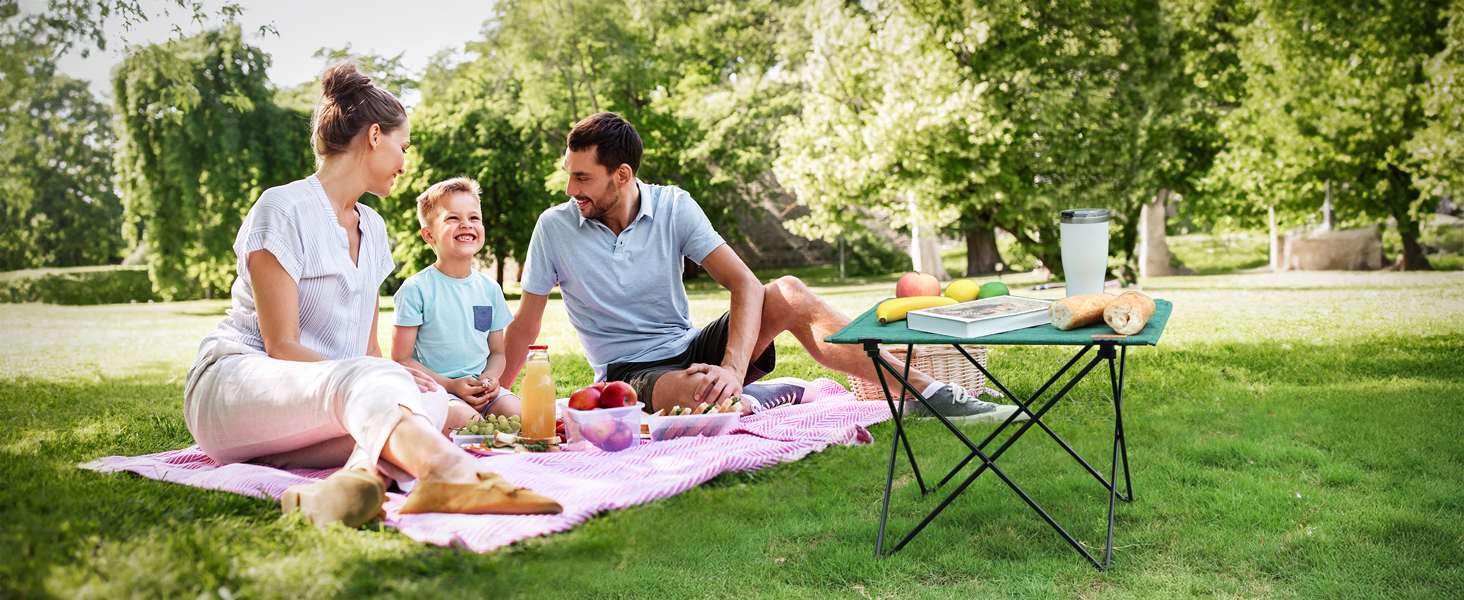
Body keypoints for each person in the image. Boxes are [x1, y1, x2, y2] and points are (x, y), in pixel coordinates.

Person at [182, 62, 560, 528]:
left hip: (329, 402)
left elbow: (367, 350)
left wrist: (401, 378)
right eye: (403, 146)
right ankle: (450, 475)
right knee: (394, 393)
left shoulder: (373, 227)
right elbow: (281, 347)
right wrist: (382, 374)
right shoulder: (282, 208)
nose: (405, 162)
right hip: (237, 387)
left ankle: (341, 487)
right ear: (375, 136)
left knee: (430, 403)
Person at [503, 112, 1028, 424]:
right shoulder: (555, 227)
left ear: (621, 175)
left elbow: (745, 284)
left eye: (582, 178)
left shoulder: (673, 206)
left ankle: (932, 394)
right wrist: (495, 397)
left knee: (789, 291)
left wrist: (733, 367)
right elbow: (526, 326)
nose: (570, 190)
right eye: (569, 175)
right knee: (695, 395)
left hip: (692, 346)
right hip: (629, 371)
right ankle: (749, 396)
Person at [391, 178, 521, 426]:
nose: (466, 224)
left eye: (474, 218)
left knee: (521, 415)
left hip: (482, 391)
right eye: (453, 218)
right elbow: (402, 360)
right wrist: (451, 385)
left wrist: (489, 380)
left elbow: (497, 353)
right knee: (467, 422)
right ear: (429, 235)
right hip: (438, 391)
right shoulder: (415, 289)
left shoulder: (490, 289)